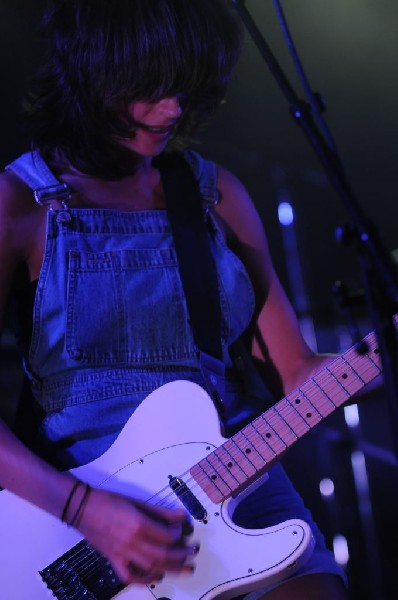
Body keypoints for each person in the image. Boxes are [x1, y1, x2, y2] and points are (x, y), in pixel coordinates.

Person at [0, 0, 350, 598]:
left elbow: (298, 373)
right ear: (92, 72)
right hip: (80, 512)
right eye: (149, 88)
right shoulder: (21, 202)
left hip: (238, 474)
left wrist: (369, 358)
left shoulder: (217, 196)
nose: (172, 110)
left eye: (186, 90)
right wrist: (87, 510)